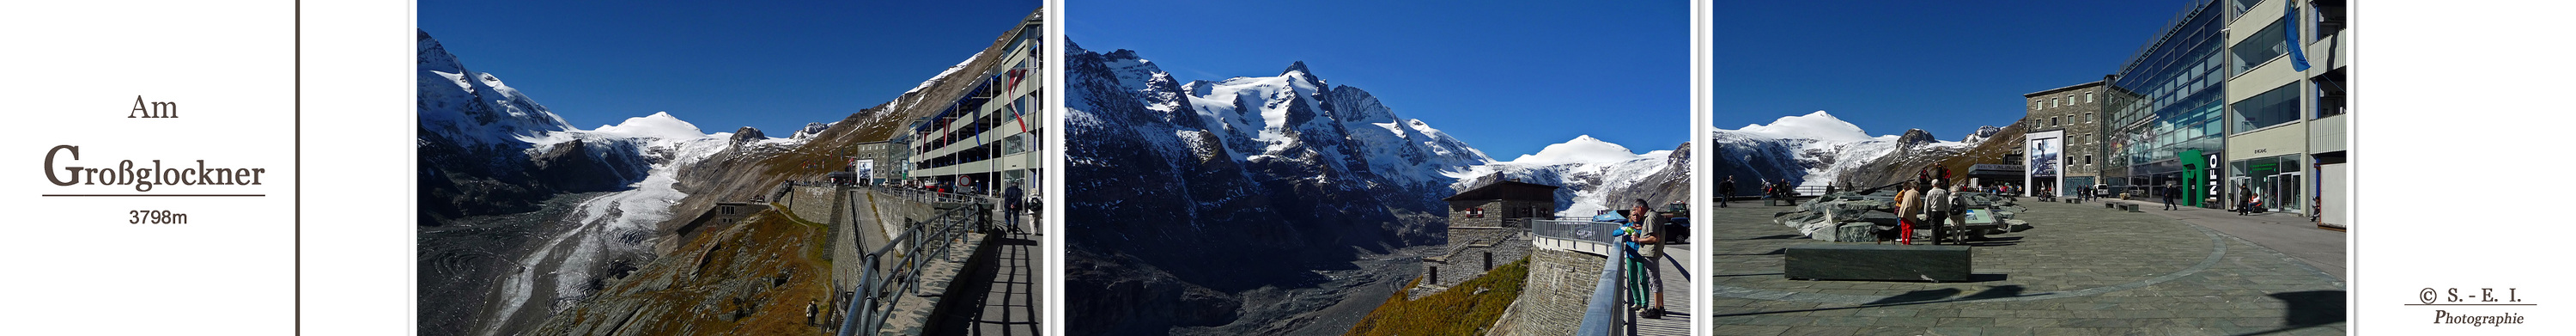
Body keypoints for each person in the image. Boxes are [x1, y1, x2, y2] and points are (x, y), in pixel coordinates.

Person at [1624, 199, 1667, 318]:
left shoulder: (1651, 217)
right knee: (1656, 279)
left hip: (1651, 253)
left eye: (1636, 209)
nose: (1636, 212)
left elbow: (1655, 238)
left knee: (1654, 280)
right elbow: (1652, 232)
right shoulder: (1652, 215)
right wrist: (1641, 229)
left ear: (1640, 208)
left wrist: (1639, 240)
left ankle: (1656, 310)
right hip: (1652, 252)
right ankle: (1661, 307)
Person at [1893, 180, 1923, 245]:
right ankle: (1908, 242)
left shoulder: (1907, 192)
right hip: (1910, 212)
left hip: (1902, 212)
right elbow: (1918, 204)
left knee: (1904, 228)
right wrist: (1920, 206)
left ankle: (1904, 241)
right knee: (1910, 228)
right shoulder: (1916, 193)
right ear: (1917, 187)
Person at [1925, 179, 1953, 245]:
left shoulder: (1930, 192)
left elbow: (1927, 204)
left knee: (1934, 227)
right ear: (1939, 184)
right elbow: (1947, 203)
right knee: (1940, 227)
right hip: (1942, 211)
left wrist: (1926, 213)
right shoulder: (1943, 192)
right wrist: (1947, 212)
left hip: (1933, 211)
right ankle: (1939, 241)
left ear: (1933, 185)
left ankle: (1934, 242)